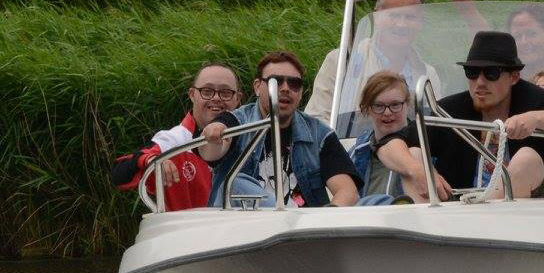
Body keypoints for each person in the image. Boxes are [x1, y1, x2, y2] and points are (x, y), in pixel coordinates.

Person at [376, 31, 544, 200]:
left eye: (491, 73)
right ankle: (427, 238)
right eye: (472, 73)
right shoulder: (451, 109)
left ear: (514, 77)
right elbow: (387, 143)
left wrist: (535, 118)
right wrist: (418, 171)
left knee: (526, 158)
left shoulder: (531, 98)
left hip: (528, 211)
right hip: (462, 209)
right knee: (413, 154)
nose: (480, 82)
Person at [198, 51, 361, 208]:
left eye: (294, 83)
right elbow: (210, 151)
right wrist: (214, 132)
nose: (285, 88)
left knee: (378, 201)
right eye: (275, 81)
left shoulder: (319, 134)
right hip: (246, 228)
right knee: (235, 183)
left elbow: (347, 191)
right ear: (257, 86)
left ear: (301, 91)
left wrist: (323, 221)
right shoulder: (237, 121)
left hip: (300, 231)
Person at [304, 0, 440, 130]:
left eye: (410, 17)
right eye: (394, 15)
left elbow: (436, 127)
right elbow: (316, 120)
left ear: (420, 22)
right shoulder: (341, 61)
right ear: (377, 16)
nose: (401, 24)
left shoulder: (428, 74)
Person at [111, 63, 241, 210]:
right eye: (207, 91)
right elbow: (119, 174)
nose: (216, 98)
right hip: (189, 230)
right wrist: (152, 161)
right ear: (192, 95)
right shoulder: (174, 141)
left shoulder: (254, 137)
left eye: (225, 92)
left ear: (238, 98)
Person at [349, 70, 450, 201]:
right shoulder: (355, 154)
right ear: (367, 109)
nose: (387, 112)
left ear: (408, 105)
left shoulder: (429, 144)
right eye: (378, 106)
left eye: (395, 105)